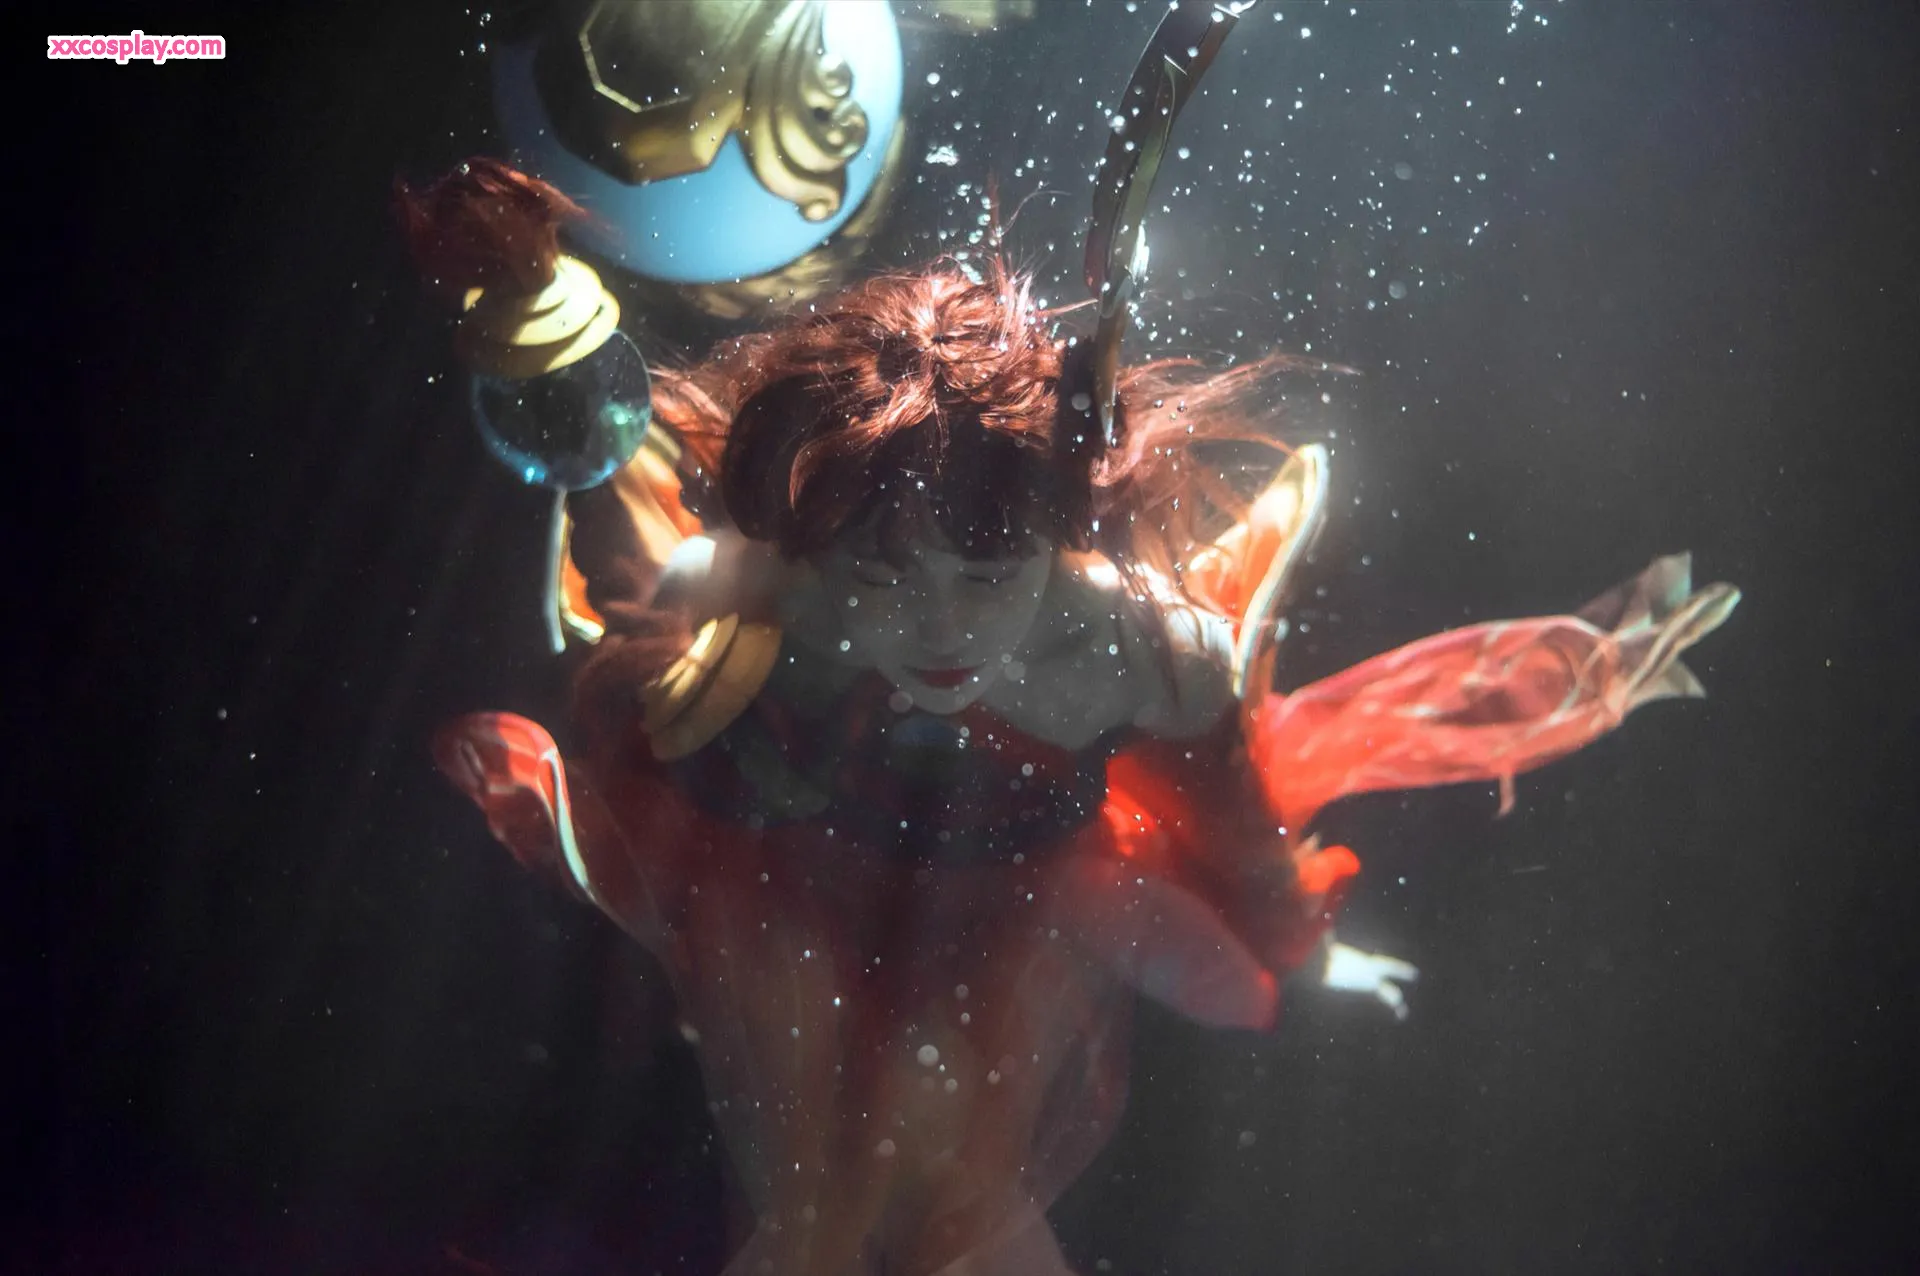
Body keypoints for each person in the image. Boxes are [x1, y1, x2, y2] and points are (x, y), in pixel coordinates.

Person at [432, 226, 1738, 1273]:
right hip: (800, 885)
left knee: (962, 1201)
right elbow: (617, 545)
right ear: (827, 559)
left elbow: (1237, 831)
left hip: (1034, 893)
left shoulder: (1145, 652)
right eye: (884, 578)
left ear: (1054, 540)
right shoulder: (770, 590)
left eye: (984, 575)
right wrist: (550, 328)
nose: (939, 631)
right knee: (819, 1203)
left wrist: (1300, 944)